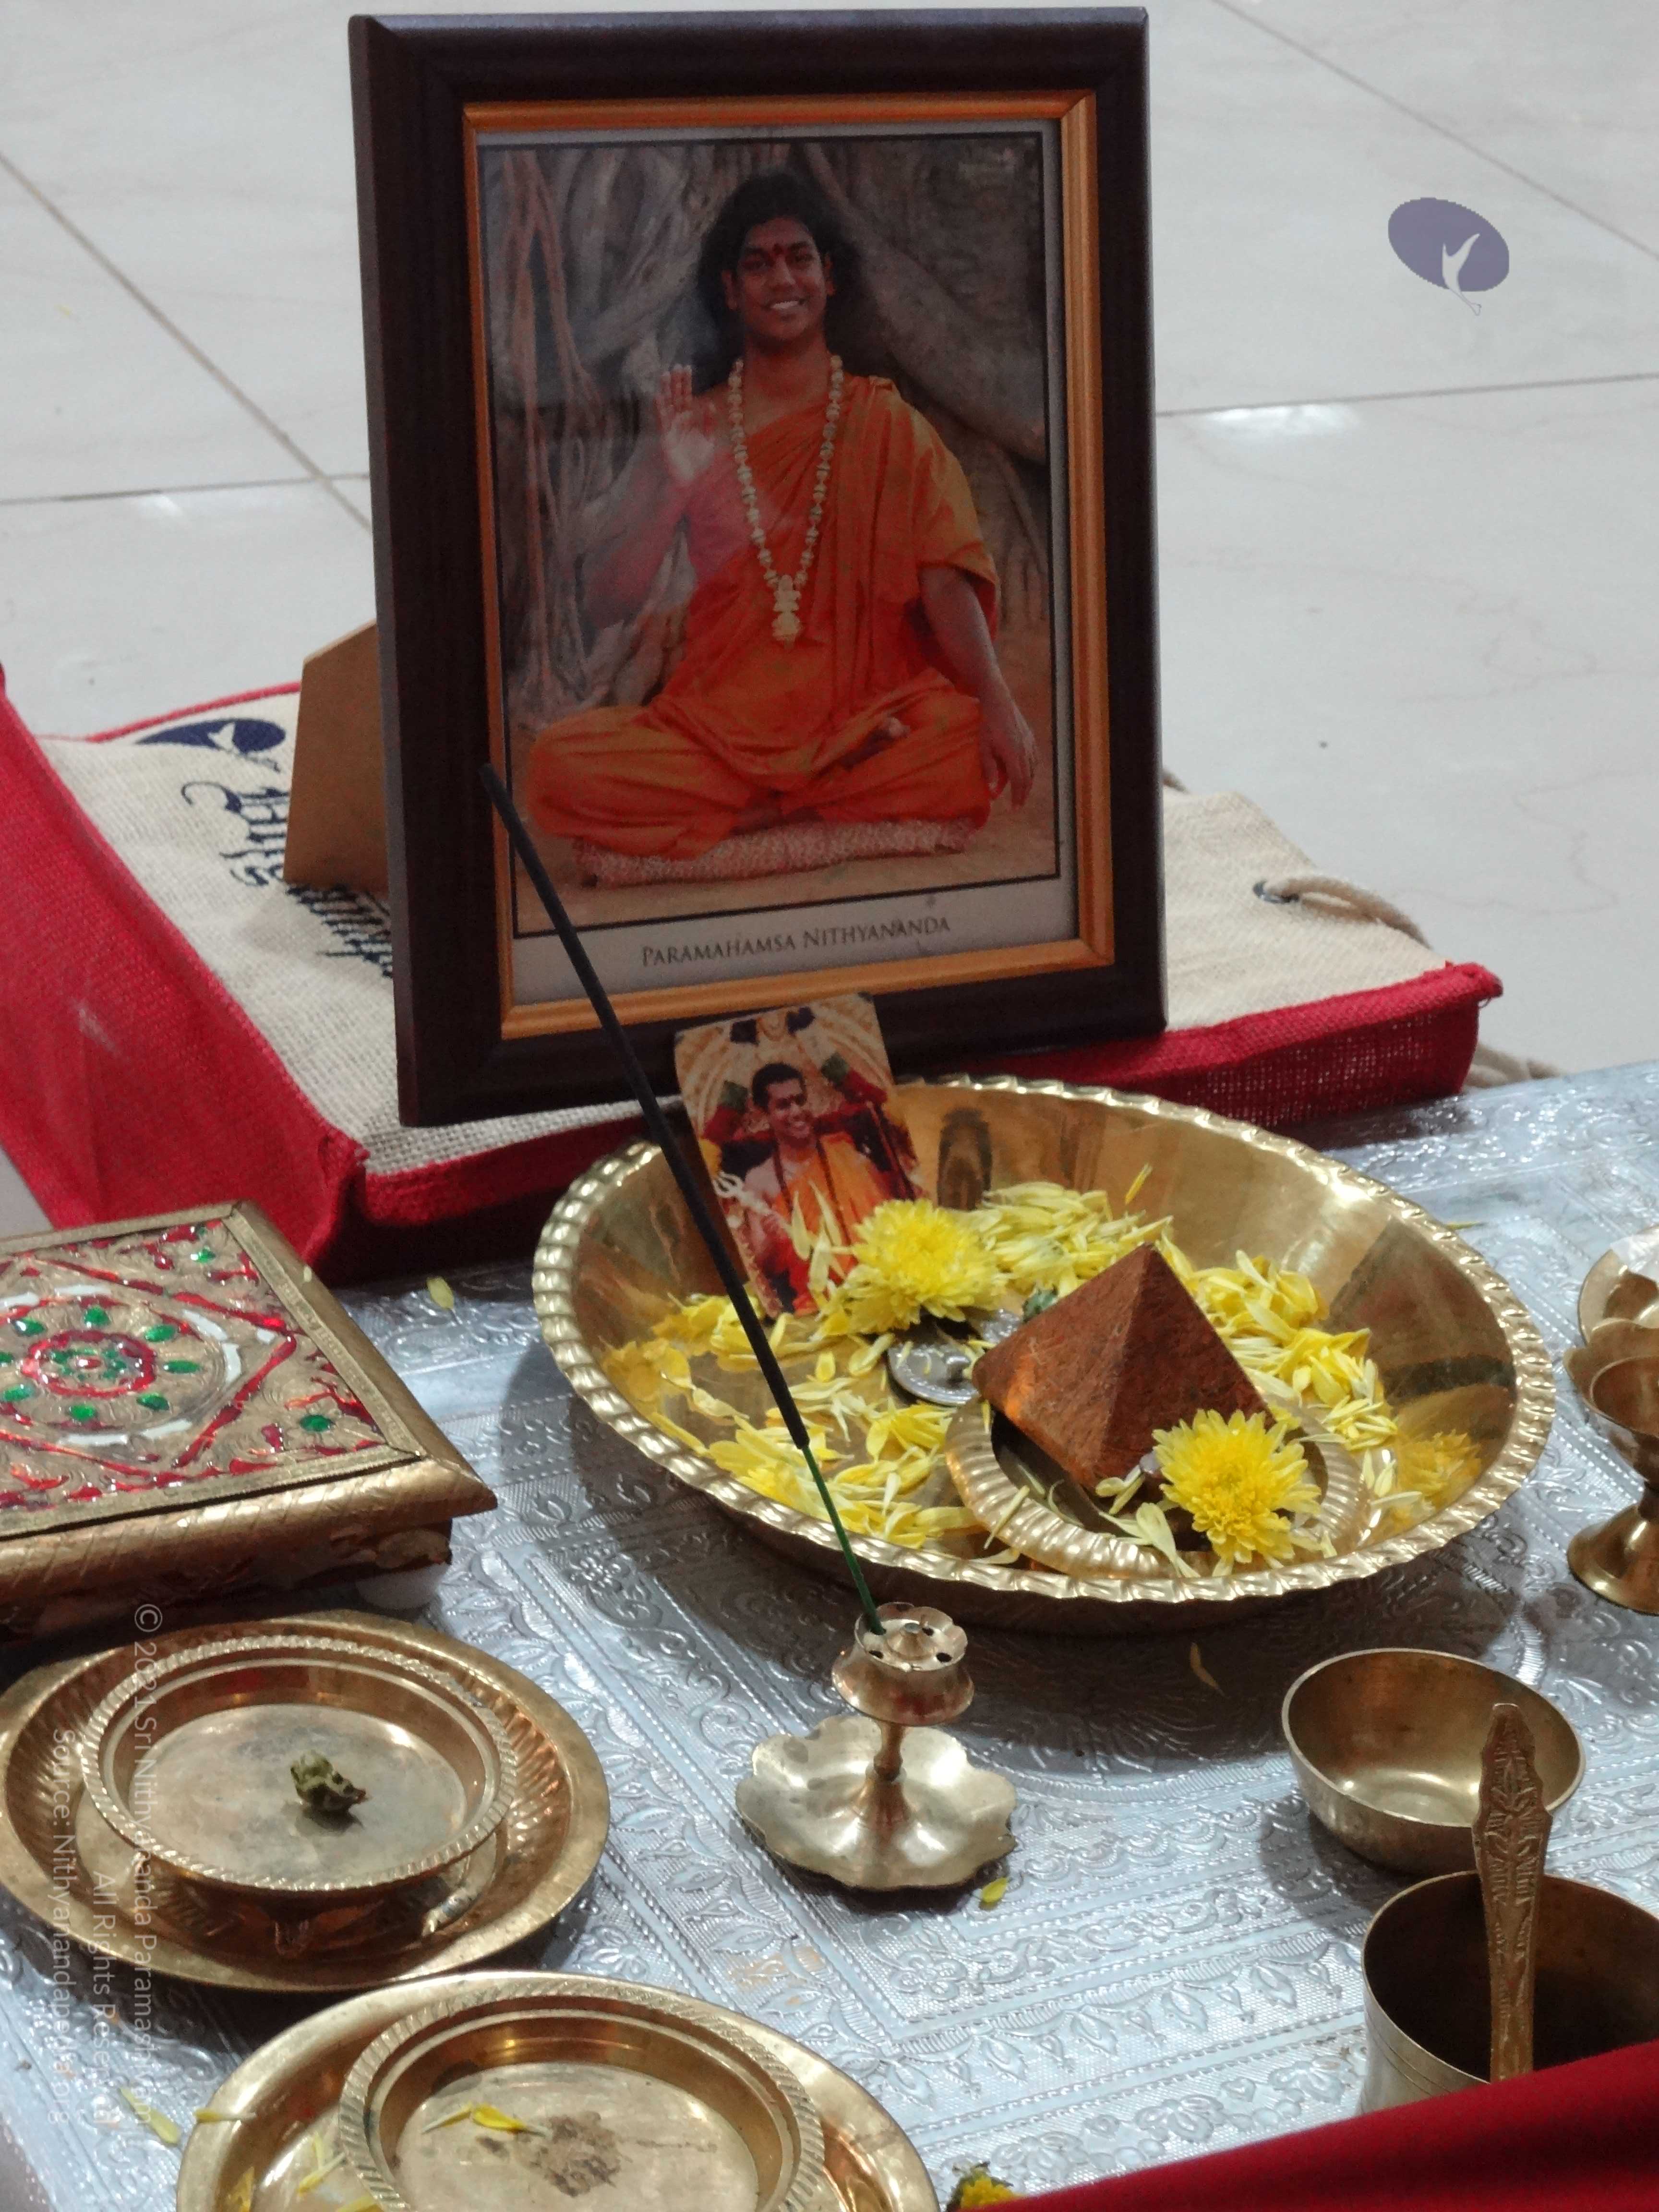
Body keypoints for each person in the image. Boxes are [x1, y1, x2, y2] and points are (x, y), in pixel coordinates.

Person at [524, 168, 1037, 864]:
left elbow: (945, 581)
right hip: (721, 726)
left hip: (864, 713)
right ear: (731, 290)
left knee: (961, 740)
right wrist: (673, 486)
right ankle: (802, 800)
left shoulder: (887, 424)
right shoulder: (695, 426)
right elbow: (610, 599)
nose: (783, 279)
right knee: (558, 766)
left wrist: (997, 698)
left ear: (829, 277)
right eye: (759, 264)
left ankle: (762, 808)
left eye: (799, 258)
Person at [713, 1059, 901, 1311]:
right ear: (764, 1114)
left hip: (883, 1292)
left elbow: (896, 1224)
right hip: (818, 1306)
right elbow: (763, 1264)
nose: (796, 1112)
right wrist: (774, 1237)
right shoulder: (759, 1180)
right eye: (783, 1105)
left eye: (800, 1101)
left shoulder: (853, 1159)